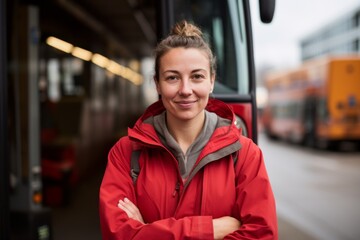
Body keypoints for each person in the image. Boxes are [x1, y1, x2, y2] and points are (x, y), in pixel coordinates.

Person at [99, 20, 278, 239]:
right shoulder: (126, 153)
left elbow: (262, 234)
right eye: (172, 77)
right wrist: (212, 230)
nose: (185, 90)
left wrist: (147, 231)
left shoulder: (244, 154)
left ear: (211, 81)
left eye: (197, 76)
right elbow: (118, 235)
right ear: (157, 84)